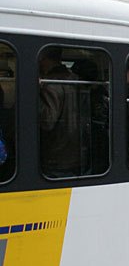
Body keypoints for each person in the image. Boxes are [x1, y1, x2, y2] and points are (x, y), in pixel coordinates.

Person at [39, 48, 82, 176]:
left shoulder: (51, 84)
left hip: (56, 155)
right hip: (77, 152)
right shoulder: (76, 79)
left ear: (43, 59)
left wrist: (33, 93)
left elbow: (47, 121)